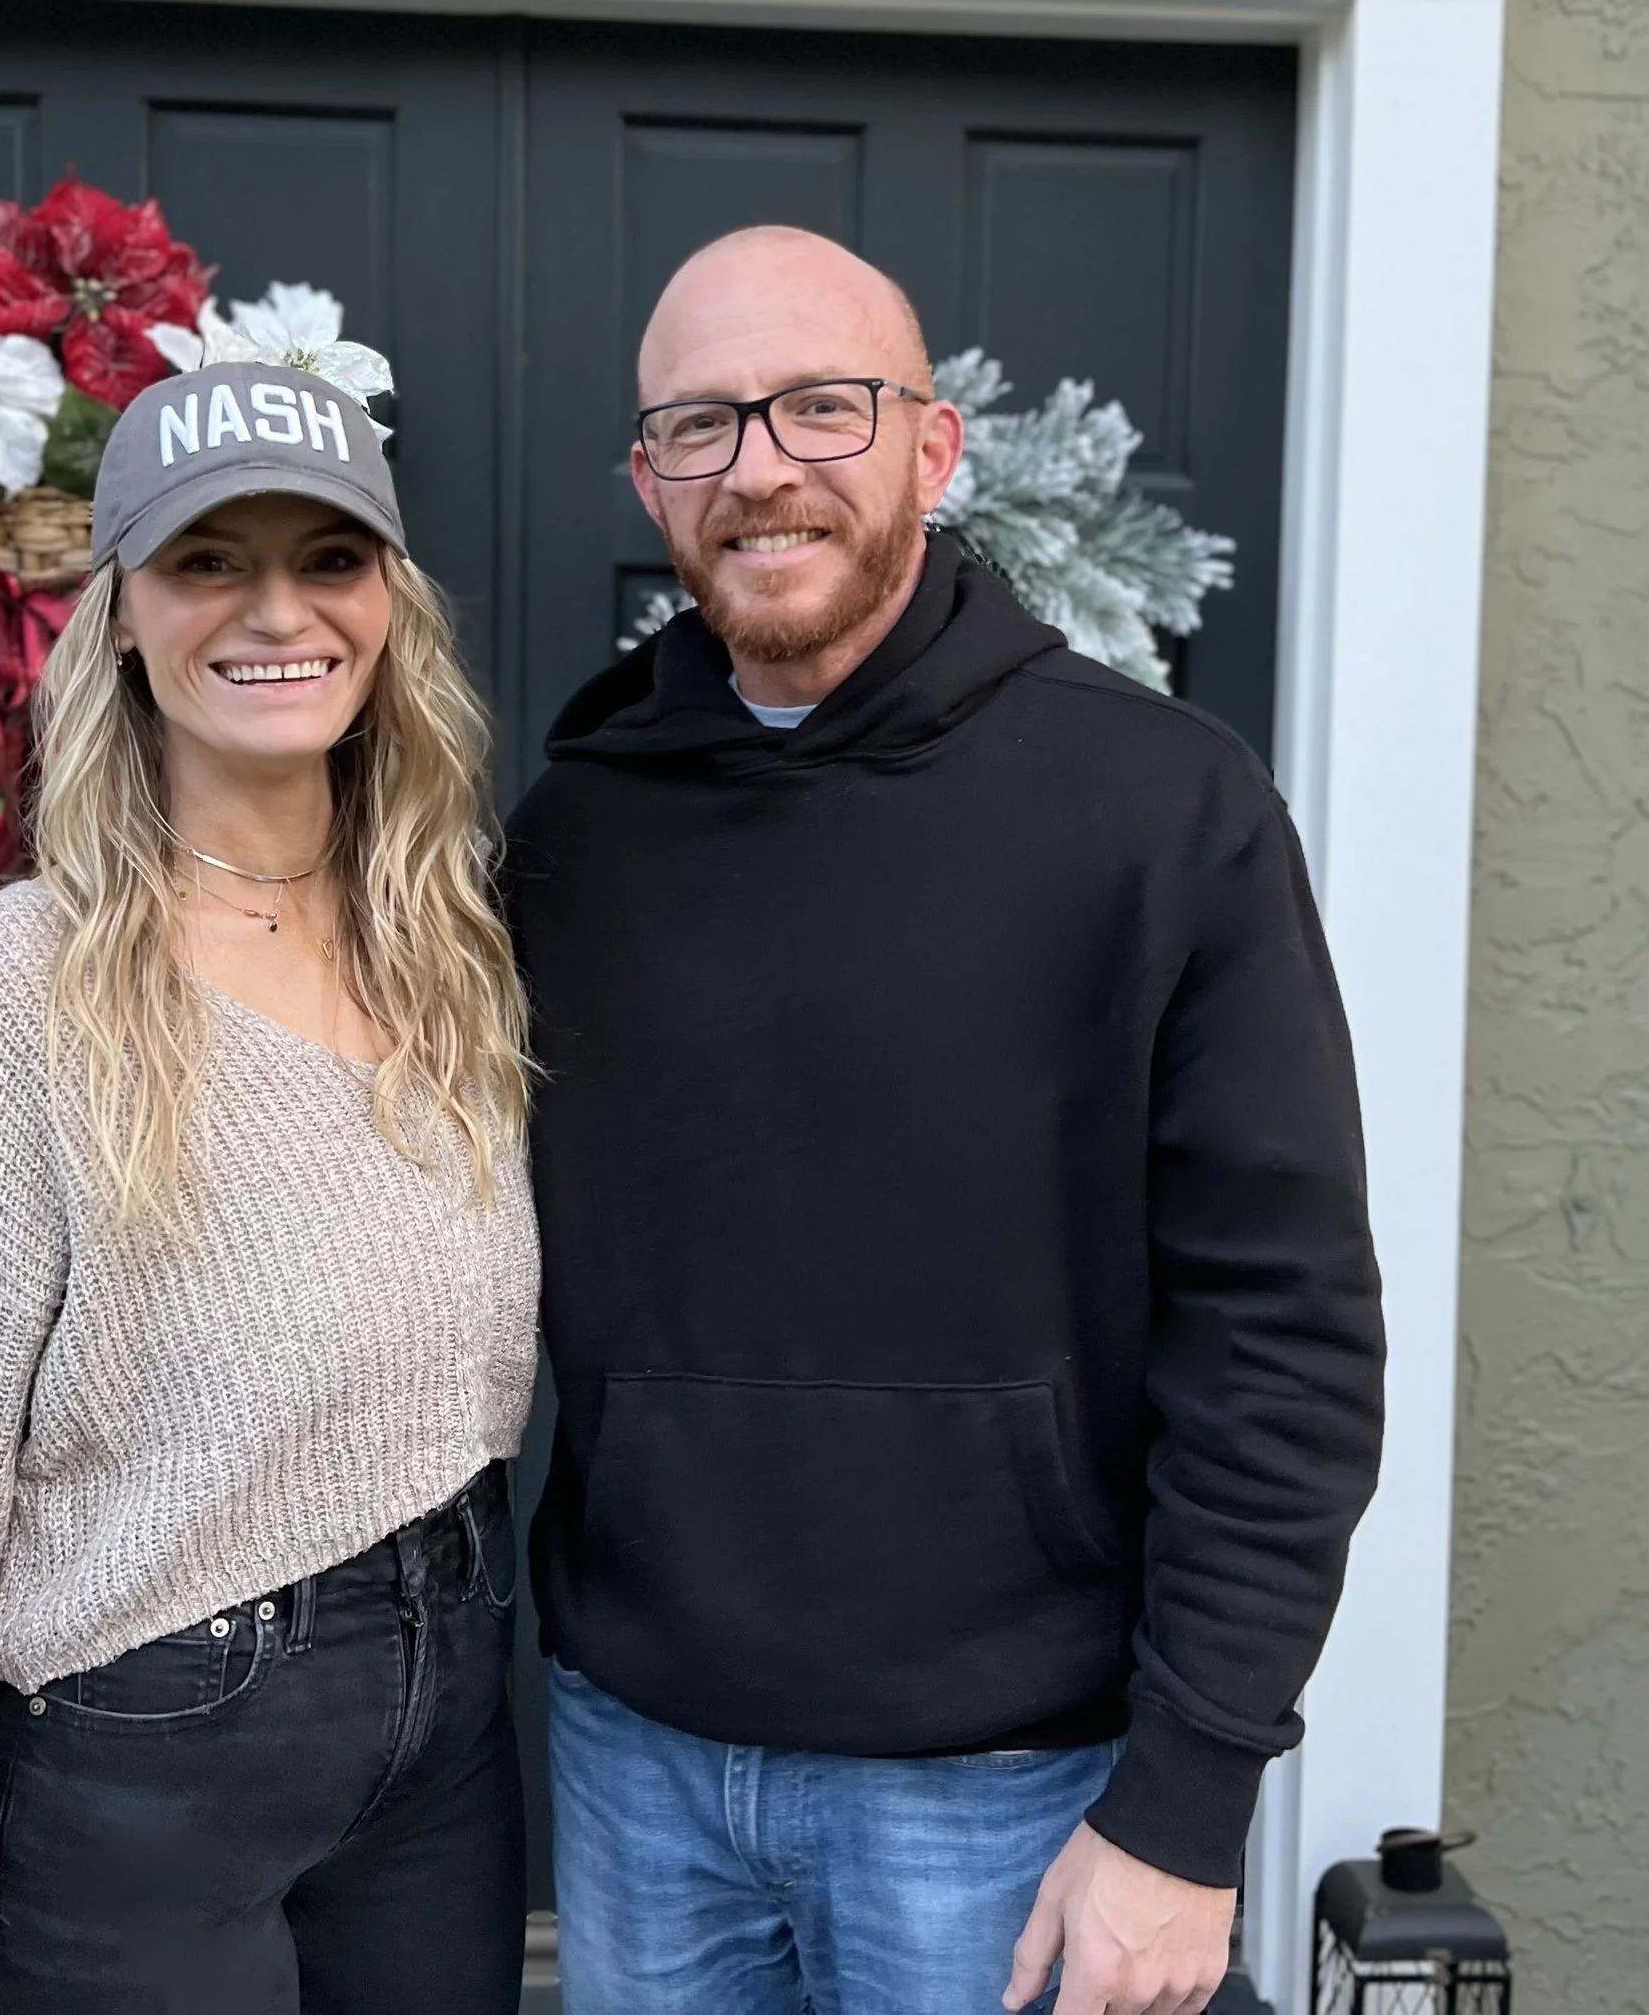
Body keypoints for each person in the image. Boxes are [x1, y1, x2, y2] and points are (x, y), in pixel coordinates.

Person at [502, 226, 1386, 2015]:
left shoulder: (1160, 810)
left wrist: (1189, 1802)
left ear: (933, 444)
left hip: (1015, 1788)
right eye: (700, 426)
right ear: (647, 480)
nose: (761, 468)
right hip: (637, 1758)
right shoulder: (577, 834)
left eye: (821, 407)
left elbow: (1283, 1339)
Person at [0, 362, 539, 2015]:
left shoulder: (449, 949)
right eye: (206, 561)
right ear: (116, 614)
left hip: (451, 1717)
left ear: (391, 604)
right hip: (153, 1744)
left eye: (328, 557)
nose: (275, 608)